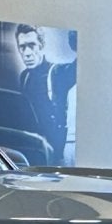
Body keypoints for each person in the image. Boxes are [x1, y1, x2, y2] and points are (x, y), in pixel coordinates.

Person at [14, 24, 74, 165]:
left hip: (54, 155)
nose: (27, 52)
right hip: (32, 150)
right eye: (22, 47)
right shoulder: (25, 76)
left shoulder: (57, 72)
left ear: (41, 45)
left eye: (32, 45)